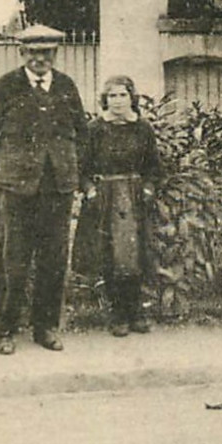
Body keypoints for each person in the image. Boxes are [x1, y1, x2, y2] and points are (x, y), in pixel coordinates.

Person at [0, 24, 87, 354]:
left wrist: (65, 167)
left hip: (58, 188)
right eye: (33, 53)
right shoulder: (7, 86)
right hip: (17, 188)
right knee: (15, 261)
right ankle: (6, 328)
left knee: (53, 261)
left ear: (55, 54)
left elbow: (82, 133)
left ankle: (45, 327)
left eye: (47, 53)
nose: (40, 59)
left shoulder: (66, 86)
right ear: (22, 53)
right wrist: (13, 164)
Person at [75, 75, 163, 337]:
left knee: (135, 254)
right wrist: (90, 191)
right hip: (105, 199)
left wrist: (148, 188)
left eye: (122, 95)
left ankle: (136, 311)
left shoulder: (143, 128)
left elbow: (154, 168)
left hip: (135, 197)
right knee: (111, 255)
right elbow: (82, 168)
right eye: (112, 96)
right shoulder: (95, 129)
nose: (117, 101)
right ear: (105, 99)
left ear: (132, 98)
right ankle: (117, 314)